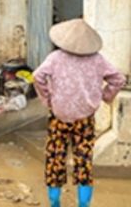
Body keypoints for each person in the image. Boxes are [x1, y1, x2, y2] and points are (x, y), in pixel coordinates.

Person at [32, 18, 127, 207]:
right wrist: (104, 96)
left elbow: (38, 76)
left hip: (59, 116)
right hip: (85, 118)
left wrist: (47, 99)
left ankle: (55, 202)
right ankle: (83, 204)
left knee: (55, 157)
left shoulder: (56, 57)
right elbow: (119, 79)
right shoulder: (98, 60)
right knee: (83, 159)